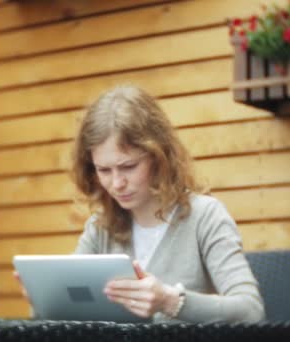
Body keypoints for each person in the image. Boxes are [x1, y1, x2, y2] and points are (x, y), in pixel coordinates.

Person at [70, 85, 264, 323]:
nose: (117, 183)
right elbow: (71, 318)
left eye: (129, 167)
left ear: (159, 156)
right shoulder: (100, 228)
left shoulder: (205, 216)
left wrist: (171, 301)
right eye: (104, 170)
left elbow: (251, 312)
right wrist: (48, 302)